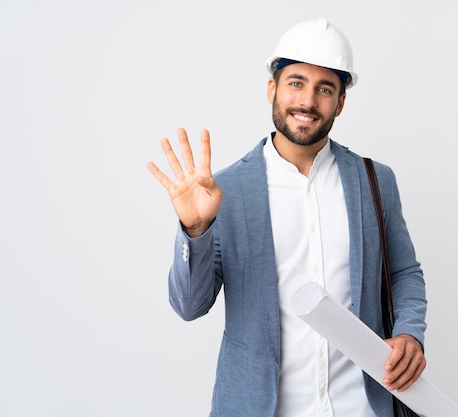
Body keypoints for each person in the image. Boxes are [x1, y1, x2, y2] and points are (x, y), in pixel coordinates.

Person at [147, 17, 427, 417]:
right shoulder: (224, 191)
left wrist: (409, 333)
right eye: (296, 82)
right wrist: (196, 229)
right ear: (272, 88)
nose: (308, 102)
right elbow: (189, 306)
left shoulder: (375, 181)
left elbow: (403, 272)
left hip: (361, 406)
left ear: (340, 102)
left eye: (324, 89)